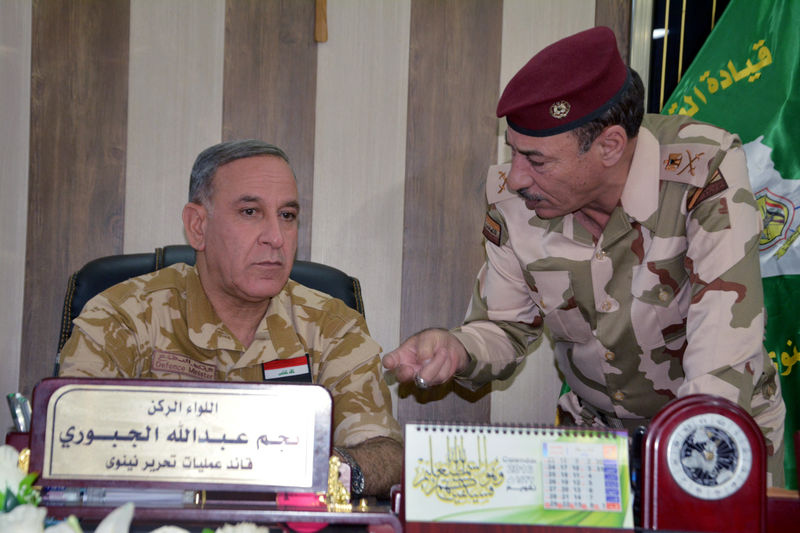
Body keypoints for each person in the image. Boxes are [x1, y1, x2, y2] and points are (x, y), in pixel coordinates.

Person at [383, 26, 786, 486]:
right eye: (512, 152)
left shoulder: (702, 170)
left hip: (715, 435)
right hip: (596, 445)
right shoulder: (516, 203)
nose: (514, 178)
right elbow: (504, 327)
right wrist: (458, 348)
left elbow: (723, 343)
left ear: (610, 146)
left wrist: (688, 469)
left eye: (536, 161)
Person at [59, 139, 402, 497]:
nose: (275, 238)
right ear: (198, 226)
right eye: (250, 212)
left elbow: (386, 455)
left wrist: (323, 471)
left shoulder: (332, 327)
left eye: (287, 216)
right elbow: (68, 442)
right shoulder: (122, 317)